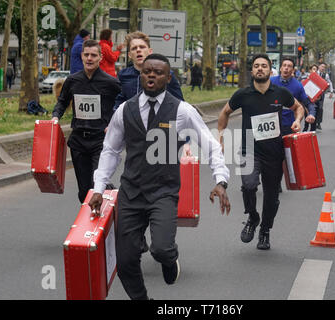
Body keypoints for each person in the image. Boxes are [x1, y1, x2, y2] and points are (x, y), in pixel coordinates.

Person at [89, 53, 230, 300]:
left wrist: (220, 180)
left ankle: (170, 259)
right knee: (125, 261)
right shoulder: (125, 110)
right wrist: (99, 188)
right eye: (147, 71)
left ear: (168, 77)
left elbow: (210, 146)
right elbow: (111, 150)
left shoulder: (183, 111)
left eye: (158, 72)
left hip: (163, 192)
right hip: (131, 193)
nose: (151, 75)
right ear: (141, 75)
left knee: (162, 249)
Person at [217, 54, 305, 250]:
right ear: (252, 71)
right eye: (256, 66)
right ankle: (253, 217)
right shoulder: (243, 94)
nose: (259, 69)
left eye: (263, 66)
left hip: (274, 150)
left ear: (270, 70)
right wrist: (220, 137)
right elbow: (225, 112)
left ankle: (265, 230)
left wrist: (297, 120)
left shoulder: (280, 93)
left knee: (272, 196)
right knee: (248, 186)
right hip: (249, 147)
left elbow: (299, 108)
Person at [52, 39, 121, 203]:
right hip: (78, 141)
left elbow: (122, 104)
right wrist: (56, 116)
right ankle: (88, 223)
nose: (89, 58)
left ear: (100, 57)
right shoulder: (73, 80)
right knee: (84, 190)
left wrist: (114, 122)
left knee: (97, 184)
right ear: (82, 56)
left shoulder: (110, 82)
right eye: (86, 55)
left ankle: (106, 211)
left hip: (100, 140)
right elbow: (62, 101)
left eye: (93, 55)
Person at [113, 31, 183, 111]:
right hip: (132, 121)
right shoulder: (123, 75)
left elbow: (179, 103)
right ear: (129, 55)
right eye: (134, 48)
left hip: (159, 119)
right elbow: (120, 100)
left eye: (142, 47)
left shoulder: (166, 74)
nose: (138, 50)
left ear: (150, 51)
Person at [271, 58, 316, 136]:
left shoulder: (298, 85)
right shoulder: (270, 82)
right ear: (280, 68)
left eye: (289, 66)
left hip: (289, 125)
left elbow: (308, 102)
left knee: (286, 148)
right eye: (284, 65)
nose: (286, 68)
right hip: (271, 124)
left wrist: (311, 114)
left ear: (293, 70)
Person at [315, 62, 334, 130]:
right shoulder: (314, 73)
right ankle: (313, 122)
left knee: (320, 108)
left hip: (321, 94)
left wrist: (331, 91)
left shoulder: (326, 75)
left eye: (324, 67)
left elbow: (330, 83)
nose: (323, 68)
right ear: (319, 66)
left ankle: (318, 123)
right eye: (322, 66)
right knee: (314, 107)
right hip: (314, 93)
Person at [302, 64, 319, 132]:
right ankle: (305, 128)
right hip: (306, 99)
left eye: (316, 69)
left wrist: (319, 97)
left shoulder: (319, 79)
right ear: (310, 70)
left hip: (315, 100)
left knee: (314, 115)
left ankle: (312, 130)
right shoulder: (305, 77)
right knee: (306, 114)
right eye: (313, 69)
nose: (314, 71)